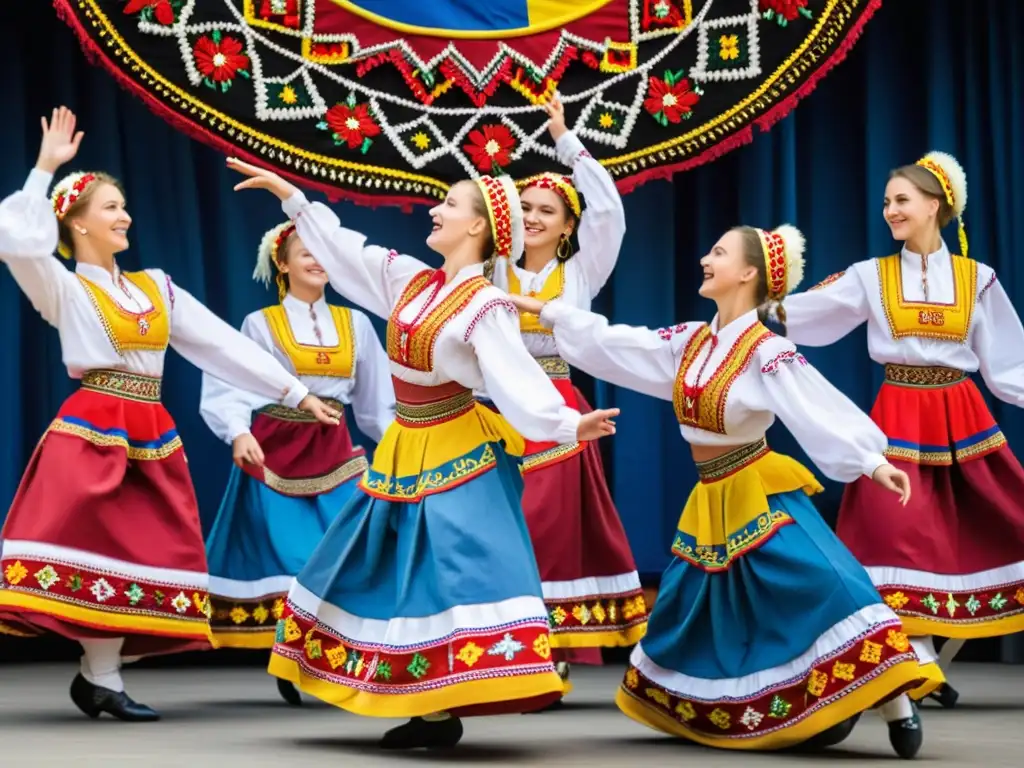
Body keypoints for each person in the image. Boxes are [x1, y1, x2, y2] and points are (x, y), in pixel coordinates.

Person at [225, 156, 621, 749]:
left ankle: (447, 701)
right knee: (380, 560)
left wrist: (566, 422)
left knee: (454, 570)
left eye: (450, 205)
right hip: (406, 445)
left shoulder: (485, 304)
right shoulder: (410, 279)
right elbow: (346, 249)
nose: (435, 210)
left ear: (479, 228)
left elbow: (514, 375)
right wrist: (294, 200)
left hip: (458, 447)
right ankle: (426, 702)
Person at [508, 224, 936, 758]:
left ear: (749, 273)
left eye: (719, 253)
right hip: (710, 497)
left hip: (757, 489)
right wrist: (549, 312)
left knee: (826, 582)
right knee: (695, 612)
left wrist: (871, 462)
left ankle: (895, 699)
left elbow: (815, 407)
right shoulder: (691, 341)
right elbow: (616, 344)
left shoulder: (767, 350)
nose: (706, 260)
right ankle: (786, 706)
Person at [0, 107, 339, 722]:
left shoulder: (156, 286)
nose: (123, 214)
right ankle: (100, 675)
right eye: (108, 207)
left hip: (148, 428)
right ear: (74, 223)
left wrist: (293, 392)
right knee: (95, 542)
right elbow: (15, 242)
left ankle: (99, 675)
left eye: (124, 205)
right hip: (92, 428)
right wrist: (45, 168)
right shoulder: (65, 288)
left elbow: (220, 343)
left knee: (143, 547)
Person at [774, 151, 1024, 710]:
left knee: (1002, 522)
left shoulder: (978, 279)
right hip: (899, 417)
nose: (890, 210)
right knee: (890, 535)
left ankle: (929, 661)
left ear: (935, 206)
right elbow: (811, 312)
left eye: (901, 200)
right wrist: (763, 298)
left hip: (962, 417)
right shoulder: (871, 274)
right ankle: (917, 664)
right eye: (887, 202)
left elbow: (1009, 364)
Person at [481, 98, 644, 693]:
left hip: (555, 406)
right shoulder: (494, 269)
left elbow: (610, 213)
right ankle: (505, 642)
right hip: (497, 407)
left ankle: (544, 645)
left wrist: (565, 140)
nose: (533, 216)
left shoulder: (581, 275)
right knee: (499, 525)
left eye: (547, 210)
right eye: (524, 208)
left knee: (546, 526)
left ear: (568, 225)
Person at [199, 219, 395, 704]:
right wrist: (238, 431)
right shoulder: (260, 324)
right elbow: (232, 381)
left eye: (323, 251)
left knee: (347, 552)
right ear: (281, 264)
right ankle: (292, 657)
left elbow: (374, 404)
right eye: (304, 251)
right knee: (293, 558)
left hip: (335, 449)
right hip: (275, 451)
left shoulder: (357, 325)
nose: (316, 259)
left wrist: (399, 449)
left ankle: (332, 658)